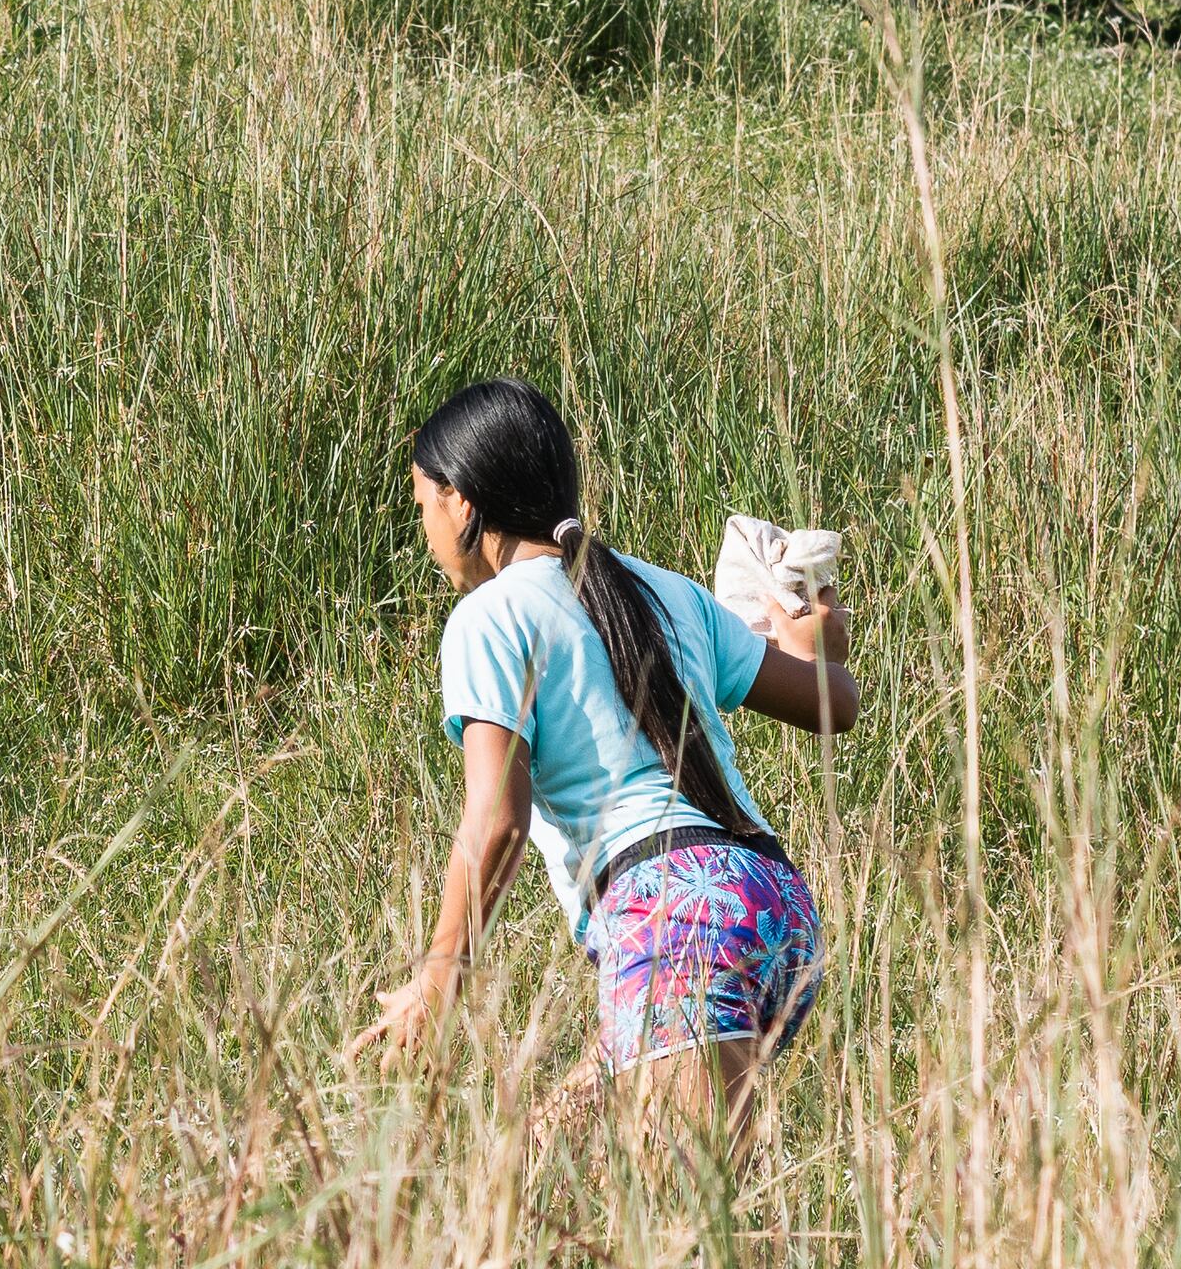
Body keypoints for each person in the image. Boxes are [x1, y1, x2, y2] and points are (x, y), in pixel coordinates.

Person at [348, 378, 856, 1129]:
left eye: (421, 503)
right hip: (771, 902)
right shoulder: (662, 589)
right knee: (541, 1161)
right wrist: (808, 628)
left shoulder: (486, 617)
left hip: (671, 912)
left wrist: (440, 974)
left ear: (462, 501)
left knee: (695, 1229)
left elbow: (498, 821)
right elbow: (832, 701)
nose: (423, 529)